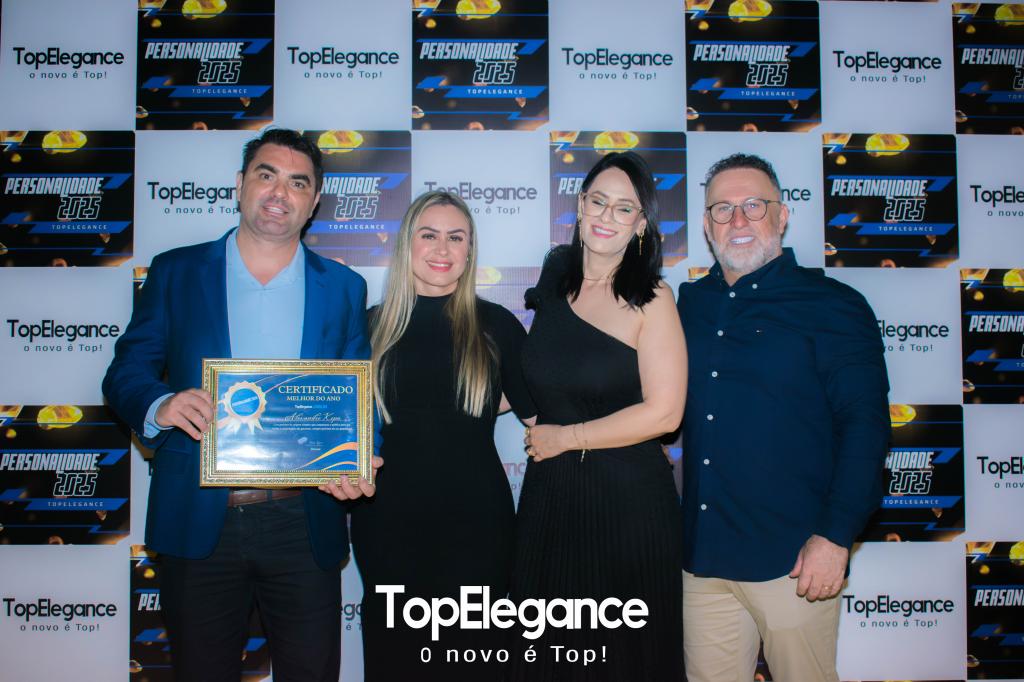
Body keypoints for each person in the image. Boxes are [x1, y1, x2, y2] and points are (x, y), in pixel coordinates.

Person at [103, 128, 377, 682]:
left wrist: (362, 457)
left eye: (298, 182)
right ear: (240, 184)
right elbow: (125, 372)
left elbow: (357, 393)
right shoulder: (176, 272)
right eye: (266, 175)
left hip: (304, 521)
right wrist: (161, 403)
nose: (280, 192)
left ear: (314, 201)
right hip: (199, 517)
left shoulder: (344, 287)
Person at [677, 153, 890, 682]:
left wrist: (835, 537)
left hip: (794, 563)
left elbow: (865, 428)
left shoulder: (834, 305)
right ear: (706, 224)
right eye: (722, 209)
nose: (738, 219)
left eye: (754, 205)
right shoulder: (688, 305)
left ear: (783, 215)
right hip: (702, 563)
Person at [513, 151, 687, 680]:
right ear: (580, 205)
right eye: (598, 201)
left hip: (626, 509)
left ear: (641, 224)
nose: (607, 216)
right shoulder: (554, 279)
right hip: (549, 501)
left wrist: (566, 437)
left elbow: (666, 413)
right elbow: (540, 377)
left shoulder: (652, 297)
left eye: (624, 208)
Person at [349, 191, 536, 681]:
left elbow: (542, 417)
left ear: (470, 251)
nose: (442, 248)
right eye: (428, 234)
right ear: (406, 244)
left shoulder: (497, 326)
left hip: (479, 532)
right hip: (386, 527)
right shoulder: (366, 328)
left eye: (456, 237)